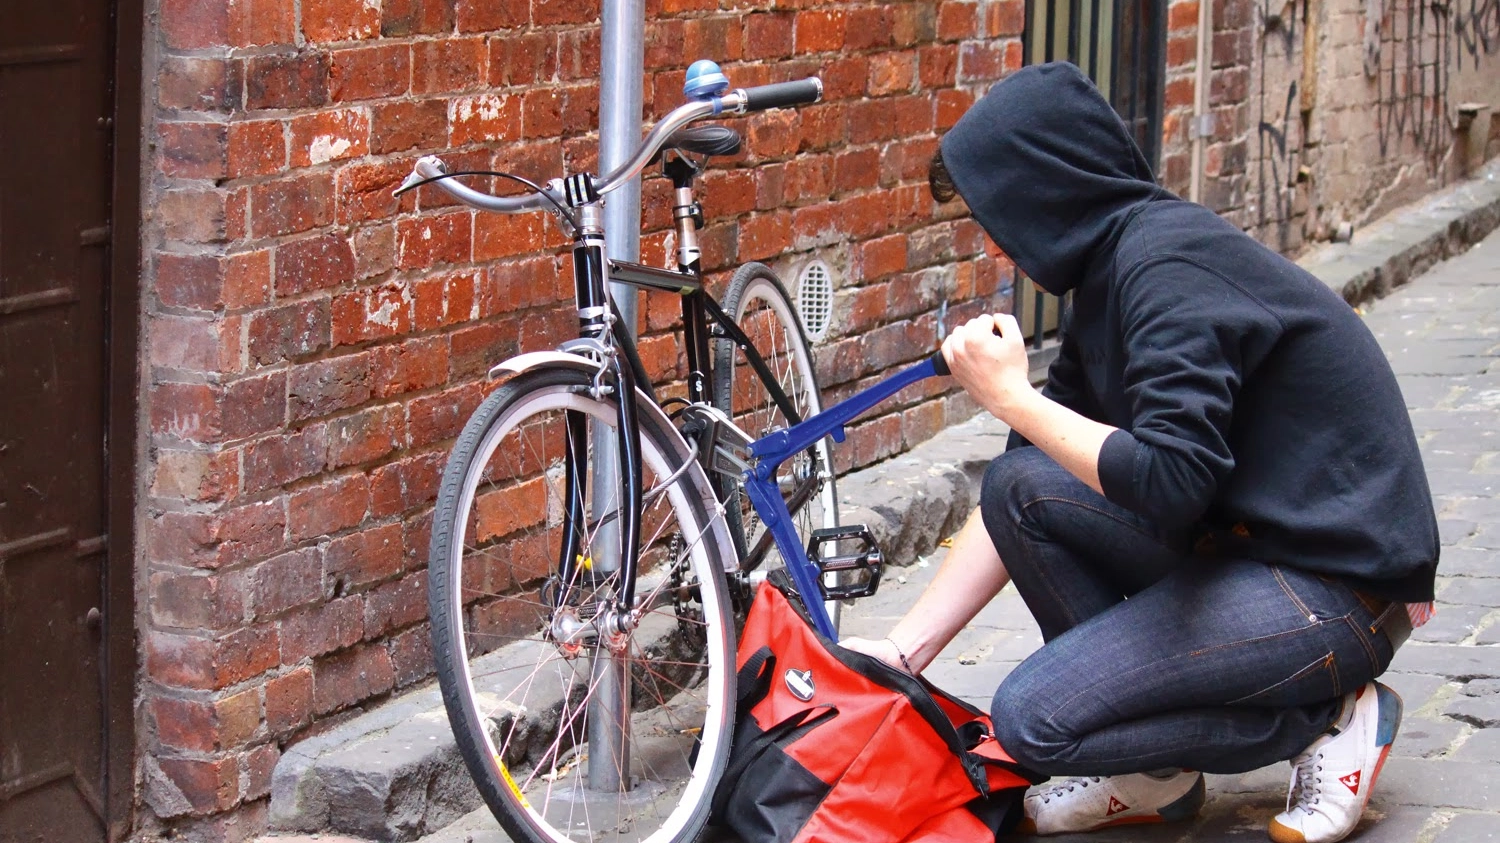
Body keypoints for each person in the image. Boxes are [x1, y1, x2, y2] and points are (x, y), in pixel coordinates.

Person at [840, 62, 1438, 843]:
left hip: (1337, 585)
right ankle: (1153, 771)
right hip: (1250, 551)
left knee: (1034, 720)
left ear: (1046, 189)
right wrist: (902, 648)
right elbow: (1033, 475)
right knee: (1022, 485)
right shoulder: (1108, 279)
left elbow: (1172, 482)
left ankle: (1329, 717)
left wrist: (1012, 394)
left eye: (998, 214)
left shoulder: (1165, 269)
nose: (996, 242)